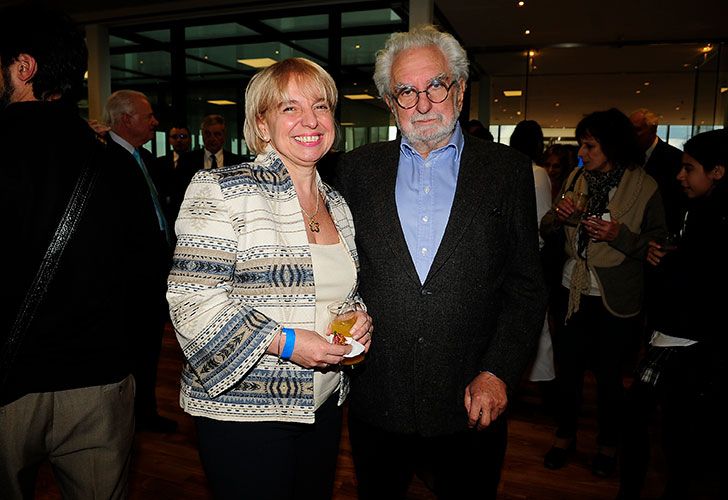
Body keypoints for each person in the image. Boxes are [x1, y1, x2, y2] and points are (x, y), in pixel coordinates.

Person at [334, 25, 547, 499]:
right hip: (378, 401)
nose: (424, 104)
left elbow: (526, 287)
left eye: (435, 85)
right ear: (390, 103)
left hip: (471, 403)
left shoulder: (508, 172)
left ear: (460, 88)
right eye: (407, 92)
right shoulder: (355, 171)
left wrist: (498, 371)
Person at [166, 57, 373, 500]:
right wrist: (289, 343)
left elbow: (342, 289)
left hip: (324, 403)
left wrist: (359, 317)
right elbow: (192, 301)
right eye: (289, 108)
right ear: (262, 124)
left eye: (321, 106)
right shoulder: (221, 188)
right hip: (245, 411)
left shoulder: (337, 203)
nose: (310, 121)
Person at [0, 6, 153, 497]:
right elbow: (147, 270)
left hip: (8, 386)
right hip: (100, 383)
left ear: (24, 68)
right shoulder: (117, 161)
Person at [540, 108, 667, 478]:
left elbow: (658, 245)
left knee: (610, 378)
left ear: (611, 146)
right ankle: (564, 436)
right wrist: (558, 217)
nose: (583, 152)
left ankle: (608, 443)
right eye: (582, 144)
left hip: (615, 298)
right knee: (569, 374)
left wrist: (619, 236)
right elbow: (547, 226)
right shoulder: (576, 178)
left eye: (590, 145)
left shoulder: (645, 187)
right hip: (571, 290)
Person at [618, 129, 726, 500]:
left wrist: (665, 264)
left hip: (688, 343)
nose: (681, 176)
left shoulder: (717, 220)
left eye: (689, 168)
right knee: (662, 428)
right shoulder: (694, 211)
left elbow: (699, 283)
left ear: (718, 172)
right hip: (672, 337)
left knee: (672, 432)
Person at [105, 89, 178, 433]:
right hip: (126, 279)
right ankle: (126, 419)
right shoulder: (104, 161)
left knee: (149, 348)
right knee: (130, 350)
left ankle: (145, 412)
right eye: (147, 116)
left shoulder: (145, 158)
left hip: (153, 272)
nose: (155, 122)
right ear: (124, 120)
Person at [509, 120, 555, 384]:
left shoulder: (510, 169)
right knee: (537, 321)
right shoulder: (536, 172)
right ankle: (540, 378)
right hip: (531, 256)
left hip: (514, 254)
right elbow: (543, 222)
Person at [629, 108, 684, 232]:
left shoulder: (675, 158)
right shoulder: (626, 158)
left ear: (652, 130)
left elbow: (676, 203)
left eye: (637, 130)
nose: (631, 135)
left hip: (660, 230)